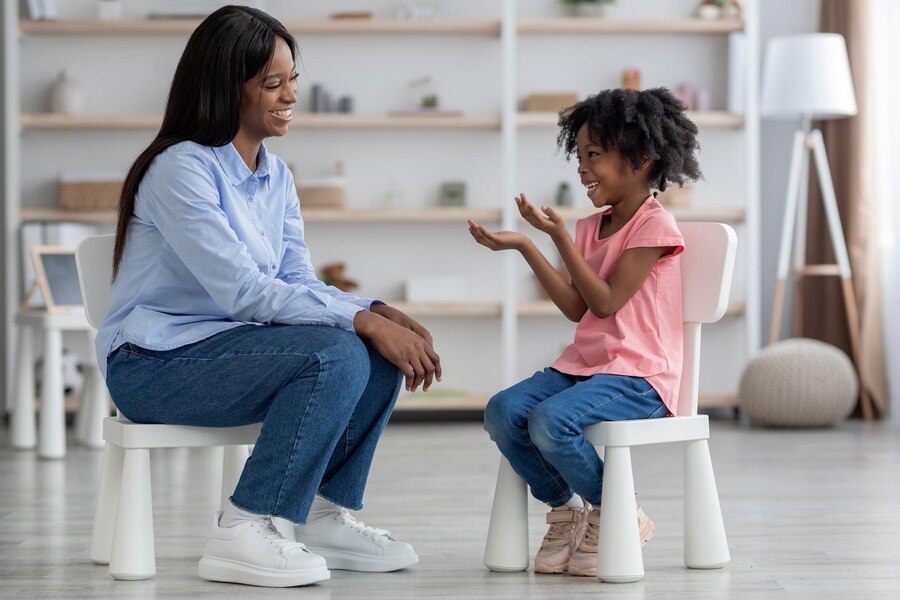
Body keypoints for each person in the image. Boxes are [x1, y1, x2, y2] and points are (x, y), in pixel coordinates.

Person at [96, 5, 441, 588]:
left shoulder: (275, 176)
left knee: (375, 350)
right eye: (272, 84)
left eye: (292, 82)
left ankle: (326, 516)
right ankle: (242, 526)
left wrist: (374, 312)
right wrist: (358, 320)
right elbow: (244, 292)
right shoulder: (181, 169)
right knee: (337, 351)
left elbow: (297, 281)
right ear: (225, 88)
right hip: (152, 366)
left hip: (226, 355)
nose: (289, 97)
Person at [468, 87, 701, 577]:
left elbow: (606, 300)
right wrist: (527, 247)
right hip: (586, 369)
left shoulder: (654, 225)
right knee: (503, 411)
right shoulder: (589, 227)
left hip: (641, 377)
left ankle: (617, 511)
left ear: (639, 159)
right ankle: (567, 510)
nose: (581, 168)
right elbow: (578, 309)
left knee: (551, 421)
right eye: (579, 156)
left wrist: (554, 236)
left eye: (593, 155)